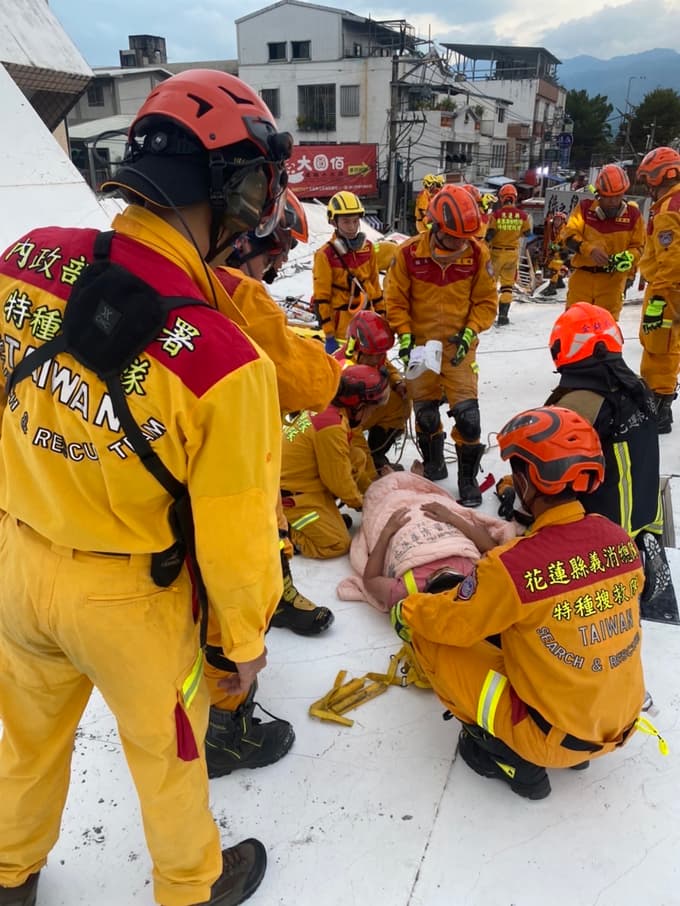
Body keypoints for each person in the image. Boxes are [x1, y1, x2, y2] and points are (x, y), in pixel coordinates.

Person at [0, 70, 294, 906]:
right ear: (234, 188)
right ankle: (191, 884)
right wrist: (242, 642)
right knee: (170, 755)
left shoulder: (22, 261)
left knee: (25, 742)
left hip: (18, 564)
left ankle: (9, 871)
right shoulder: (227, 362)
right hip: (131, 599)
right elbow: (236, 533)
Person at [392, 407, 647, 800]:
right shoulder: (617, 539)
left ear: (527, 481)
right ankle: (574, 748)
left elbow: (450, 623)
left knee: (428, 638)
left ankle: (510, 759)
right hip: (616, 721)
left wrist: (407, 610)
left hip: (549, 736)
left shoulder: (512, 569)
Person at [195, 192, 340, 781]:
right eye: (275, 256)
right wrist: (319, 354)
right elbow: (312, 385)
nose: (275, 270)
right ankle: (225, 735)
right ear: (249, 238)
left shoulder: (157, 275)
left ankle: (271, 606)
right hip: (222, 476)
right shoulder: (235, 292)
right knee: (222, 609)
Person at [385, 183, 498, 505]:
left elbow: (487, 302)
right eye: (453, 237)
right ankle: (433, 464)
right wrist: (405, 334)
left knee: (468, 417)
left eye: (466, 238)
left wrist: (470, 331)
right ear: (435, 226)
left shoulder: (477, 254)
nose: (460, 244)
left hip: (458, 348)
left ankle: (467, 479)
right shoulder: (407, 254)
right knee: (426, 415)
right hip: (420, 347)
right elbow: (394, 301)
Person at [335, 469, 516, 612]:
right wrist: (453, 518)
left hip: (399, 521)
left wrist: (387, 532)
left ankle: (396, 479)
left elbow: (371, 580)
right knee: (425, 495)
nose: (443, 570)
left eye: (438, 577)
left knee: (384, 494)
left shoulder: (407, 591)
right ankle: (413, 479)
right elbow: (492, 547)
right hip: (439, 518)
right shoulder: (475, 577)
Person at [280, 365, 390, 559]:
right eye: (371, 410)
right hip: (293, 494)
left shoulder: (330, 409)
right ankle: (286, 531)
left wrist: (371, 491)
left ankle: (322, 519)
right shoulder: (331, 427)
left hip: (303, 481)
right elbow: (337, 481)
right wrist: (364, 505)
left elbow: (347, 460)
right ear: (358, 405)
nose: (371, 415)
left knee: (356, 457)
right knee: (337, 543)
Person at [561, 164, 645, 320]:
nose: (613, 201)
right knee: (574, 325)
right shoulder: (584, 209)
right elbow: (568, 236)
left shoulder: (633, 216)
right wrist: (589, 249)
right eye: (608, 197)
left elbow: (639, 247)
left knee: (605, 330)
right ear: (599, 195)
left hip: (613, 282)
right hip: (582, 278)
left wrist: (628, 257)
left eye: (618, 196)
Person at [635, 146, 680, 433]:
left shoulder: (668, 209)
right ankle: (662, 403)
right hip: (671, 288)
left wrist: (658, 304)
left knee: (658, 348)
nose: (648, 184)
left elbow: (671, 260)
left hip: (667, 290)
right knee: (667, 345)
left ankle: (659, 409)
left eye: (649, 177)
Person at [337, 309, 410, 471]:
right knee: (355, 450)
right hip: (340, 428)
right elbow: (351, 429)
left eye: (381, 354)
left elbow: (386, 365)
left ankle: (376, 454)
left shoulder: (372, 353)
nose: (378, 359)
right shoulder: (346, 373)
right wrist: (371, 477)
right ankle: (360, 464)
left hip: (358, 417)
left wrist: (397, 382)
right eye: (374, 356)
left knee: (401, 403)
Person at [312, 191, 384, 353]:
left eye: (355, 221)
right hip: (341, 329)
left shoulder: (368, 249)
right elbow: (321, 297)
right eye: (346, 222)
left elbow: (375, 286)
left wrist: (382, 318)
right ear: (333, 222)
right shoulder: (325, 255)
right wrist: (329, 336)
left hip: (368, 324)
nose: (352, 227)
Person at [485, 183, 533, 325]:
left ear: (502, 198)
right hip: (512, 255)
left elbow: (490, 234)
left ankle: (487, 314)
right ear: (514, 198)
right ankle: (503, 316)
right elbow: (528, 233)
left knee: (490, 285)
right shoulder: (523, 216)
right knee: (507, 287)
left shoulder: (496, 215)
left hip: (496, 254)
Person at [539, 210, 569, 297]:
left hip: (562, 252)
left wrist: (551, 248)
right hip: (556, 251)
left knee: (554, 268)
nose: (556, 222)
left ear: (562, 221)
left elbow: (558, 244)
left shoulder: (564, 230)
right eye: (555, 220)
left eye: (558, 220)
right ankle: (559, 282)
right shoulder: (554, 229)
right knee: (552, 266)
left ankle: (552, 287)